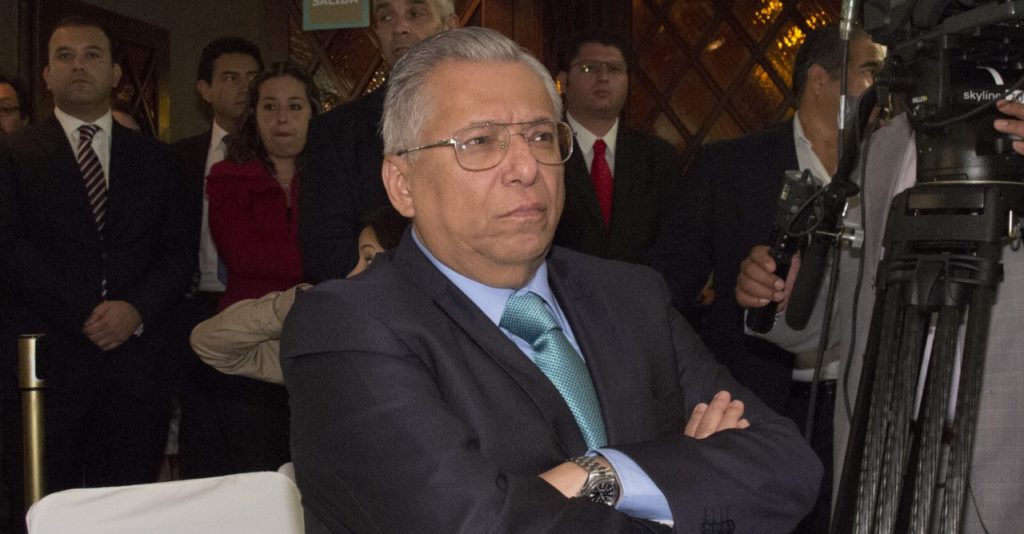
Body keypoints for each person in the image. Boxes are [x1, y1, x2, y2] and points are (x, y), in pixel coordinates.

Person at [282, 27, 821, 534]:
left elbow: (788, 463)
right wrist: (682, 475)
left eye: (541, 136)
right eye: (480, 141)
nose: (526, 167)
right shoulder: (347, 327)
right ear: (402, 184)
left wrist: (601, 473)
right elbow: (474, 524)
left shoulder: (630, 296)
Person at [735, 69, 1024, 534]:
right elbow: (849, 307)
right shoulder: (881, 145)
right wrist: (782, 294)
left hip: (1002, 473)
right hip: (880, 472)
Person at [646, 26, 884, 532]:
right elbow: (667, 288)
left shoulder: (889, 165)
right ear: (820, 80)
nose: (882, 89)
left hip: (860, 404)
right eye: (869, 72)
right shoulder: (730, 166)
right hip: (756, 402)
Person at [0, 15, 194, 530]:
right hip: (48, 365)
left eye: (92, 55)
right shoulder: (13, 154)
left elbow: (179, 255)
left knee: (127, 513)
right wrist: (85, 312)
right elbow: (10, 249)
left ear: (115, 73)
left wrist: (135, 311)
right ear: (46, 75)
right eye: (64, 56)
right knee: (43, 510)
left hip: (136, 369)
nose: (78, 65)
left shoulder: (158, 159)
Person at [189, 62, 320, 474]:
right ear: (254, 115)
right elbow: (244, 256)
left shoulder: (331, 176)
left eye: (295, 106)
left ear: (313, 113)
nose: (282, 119)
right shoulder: (227, 176)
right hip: (249, 344)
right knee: (258, 476)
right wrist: (316, 267)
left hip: (319, 342)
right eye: (269, 107)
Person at [299, 0, 458, 282]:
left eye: (415, 13)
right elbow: (326, 255)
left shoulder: (489, 120)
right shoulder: (336, 133)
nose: (399, 28)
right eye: (386, 17)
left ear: (450, 26)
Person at [169, 36, 264, 479]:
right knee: (202, 436)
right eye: (230, 78)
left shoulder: (280, 153)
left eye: (252, 78)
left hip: (259, 304)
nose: (244, 88)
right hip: (195, 302)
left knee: (256, 434)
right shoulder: (177, 158)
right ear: (204, 90)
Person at [191, 206, 409, 384]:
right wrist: (292, 306)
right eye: (359, 259)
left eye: (369, 260)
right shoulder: (333, 339)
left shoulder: (421, 350)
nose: (353, 274)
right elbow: (209, 344)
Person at [552, 30, 681, 263]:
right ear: (562, 81)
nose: (603, 77)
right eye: (589, 68)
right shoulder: (546, 151)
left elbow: (675, 242)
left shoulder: (659, 158)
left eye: (614, 69)